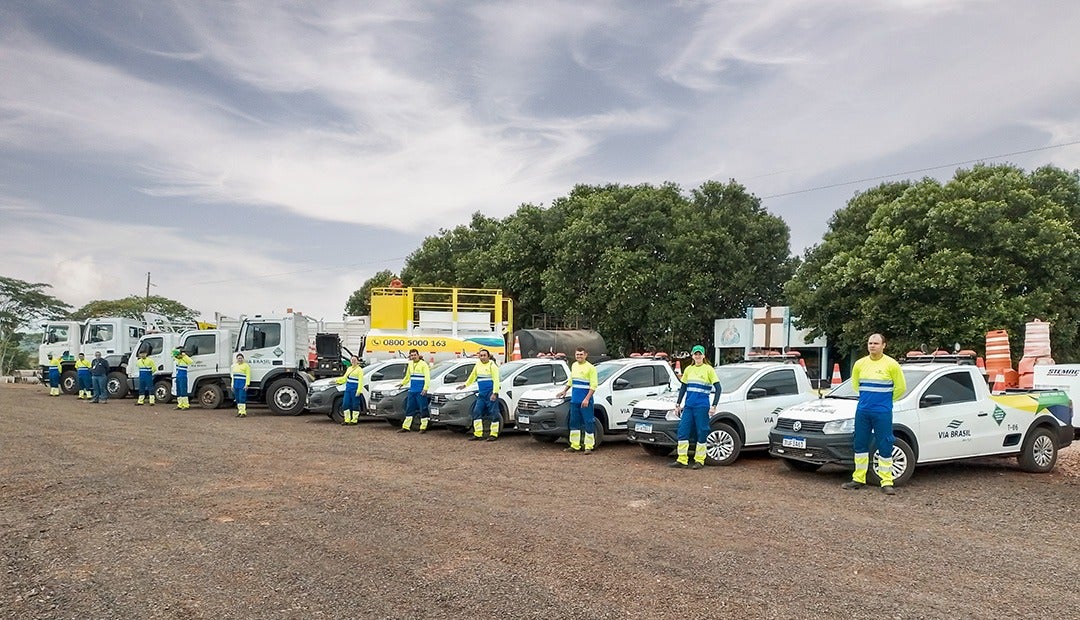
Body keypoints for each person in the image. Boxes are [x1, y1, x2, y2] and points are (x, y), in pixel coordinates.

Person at [842, 333, 906, 495]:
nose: (872, 346)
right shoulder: (860, 364)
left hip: (882, 412)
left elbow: (900, 388)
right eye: (870, 343)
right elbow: (856, 385)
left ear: (884, 345)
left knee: (885, 443)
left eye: (876, 343)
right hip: (863, 411)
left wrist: (885, 402)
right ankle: (859, 478)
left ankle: (886, 481)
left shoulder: (891, 364)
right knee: (860, 443)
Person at [669, 345, 723, 469]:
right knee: (683, 431)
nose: (697, 356)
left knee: (702, 431)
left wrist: (714, 405)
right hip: (688, 406)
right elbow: (683, 388)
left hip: (702, 406)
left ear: (703, 356)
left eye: (700, 354)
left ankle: (699, 460)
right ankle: (682, 459)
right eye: (695, 354)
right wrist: (678, 404)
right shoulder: (688, 369)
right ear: (692, 356)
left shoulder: (708, 369)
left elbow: (718, 388)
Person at [556, 347, 598, 453]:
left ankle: (589, 446)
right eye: (577, 354)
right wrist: (564, 391)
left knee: (588, 422)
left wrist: (587, 399)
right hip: (575, 399)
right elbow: (571, 380)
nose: (579, 356)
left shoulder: (591, 368)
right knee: (574, 422)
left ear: (585, 355)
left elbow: (593, 386)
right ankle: (575, 445)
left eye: (581, 354)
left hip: (585, 400)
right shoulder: (574, 365)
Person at [459, 349, 501, 441]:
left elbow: (496, 380)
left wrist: (495, 393)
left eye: (484, 355)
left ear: (488, 356)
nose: (482, 357)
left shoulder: (492, 366)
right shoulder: (478, 365)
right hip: (481, 394)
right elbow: (473, 376)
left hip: (490, 393)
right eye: (481, 355)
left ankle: (493, 434)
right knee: (476, 412)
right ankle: (478, 434)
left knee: (494, 413)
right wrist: (465, 385)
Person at [399, 349, 431, 433]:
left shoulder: (424, 364)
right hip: (412, 390)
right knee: (409, 408)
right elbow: (407, 377)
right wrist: (402, 383)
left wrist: (425, 388)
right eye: (411, 355)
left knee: (423, 408)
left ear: (418, 355)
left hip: (420, 390)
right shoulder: (410, 364)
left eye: (414, 355)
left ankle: (423, 427)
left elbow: (427, 377)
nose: (413, 357)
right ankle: (406, 426)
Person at [335, 355, 364, 425]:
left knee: (355, 404)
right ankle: (347, 419)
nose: (353, 361)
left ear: (357, 361)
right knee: (345, 403)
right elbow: (344, 378)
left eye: (354, 360)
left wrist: (359, 391)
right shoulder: (349, 369)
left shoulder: (359, 370)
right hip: (348, 388)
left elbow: (361, 381)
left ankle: (354, 420)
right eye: (352, 360)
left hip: (355, 388)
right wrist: (336, 381)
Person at [232, 353, 251, 417]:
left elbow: (248, 375)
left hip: (242, 384)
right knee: (237, 398)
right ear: (236, 359)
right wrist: (232, 384)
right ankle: (239, 411)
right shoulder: (234, 366)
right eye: (238, 358)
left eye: (241, 358)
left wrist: (247, 384)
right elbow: (233, 376)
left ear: (243, 359)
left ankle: (243, 412)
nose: (240, 359)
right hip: (236, 384)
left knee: (241, 398)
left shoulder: (246, 366)